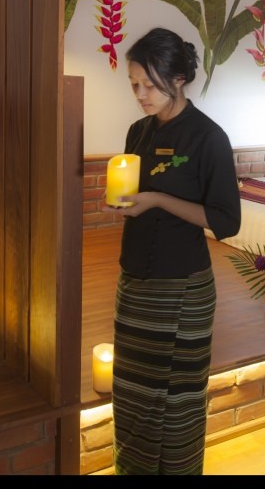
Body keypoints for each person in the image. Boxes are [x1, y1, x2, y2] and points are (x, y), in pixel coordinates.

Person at [104, 26, 241, 475]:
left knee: (176, 404)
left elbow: (226, 221)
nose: (140, 95)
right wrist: (127, 202)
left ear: (178, 79)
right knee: (132, 394)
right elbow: (135, 191)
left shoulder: (208, 138)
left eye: (149, 84)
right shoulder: (138, 132)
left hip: (181, 289)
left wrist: (158, 199)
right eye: (134, 85)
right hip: (135, 282)